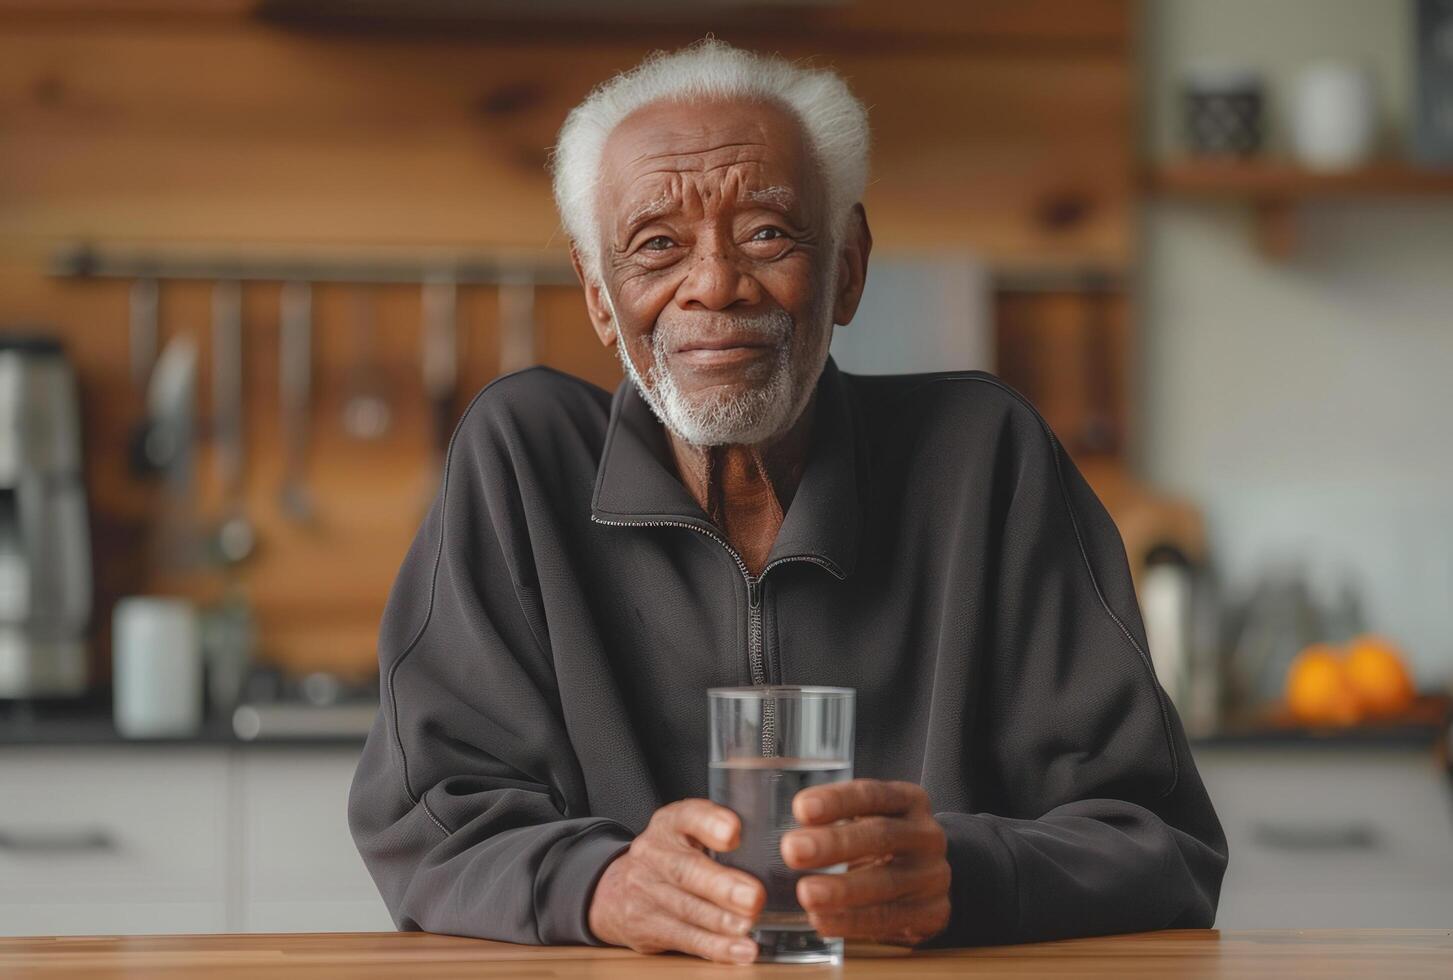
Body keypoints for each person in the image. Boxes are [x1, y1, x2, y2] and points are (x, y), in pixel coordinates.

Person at [348, 38, 1226, 965]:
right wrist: (602, 888)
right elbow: (428, 822)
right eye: (656, 246)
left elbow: (1160, 845)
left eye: (767, 232)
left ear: (846, 266)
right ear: (601, 299)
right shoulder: (519, 459)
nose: (716, 283)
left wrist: (965, 874)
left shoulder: (984, 456)